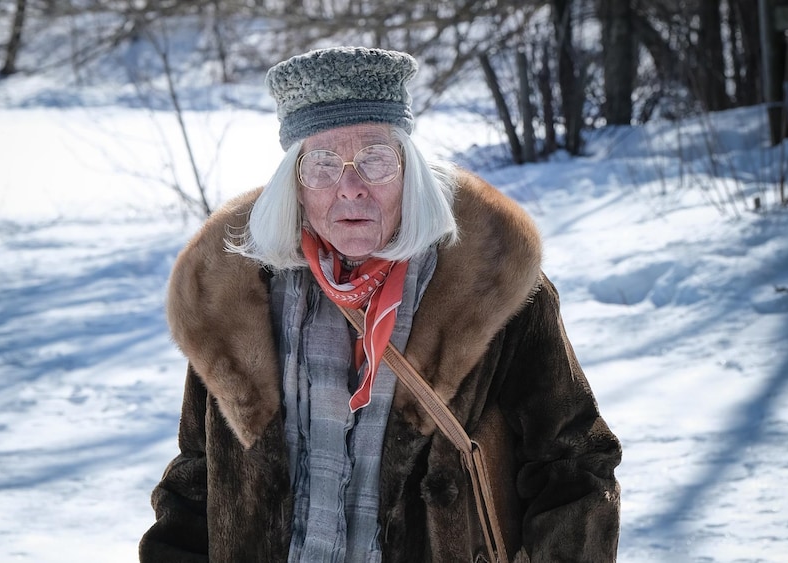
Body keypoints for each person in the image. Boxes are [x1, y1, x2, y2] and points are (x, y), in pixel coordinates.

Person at [140, 46, 621, 563]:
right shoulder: (236, 298)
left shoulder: (493, 291)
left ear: (409, 170)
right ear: (295, 183)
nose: (350, 188)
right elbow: (197, 476)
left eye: (374, 159)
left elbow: (573, 467)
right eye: (323, 164)